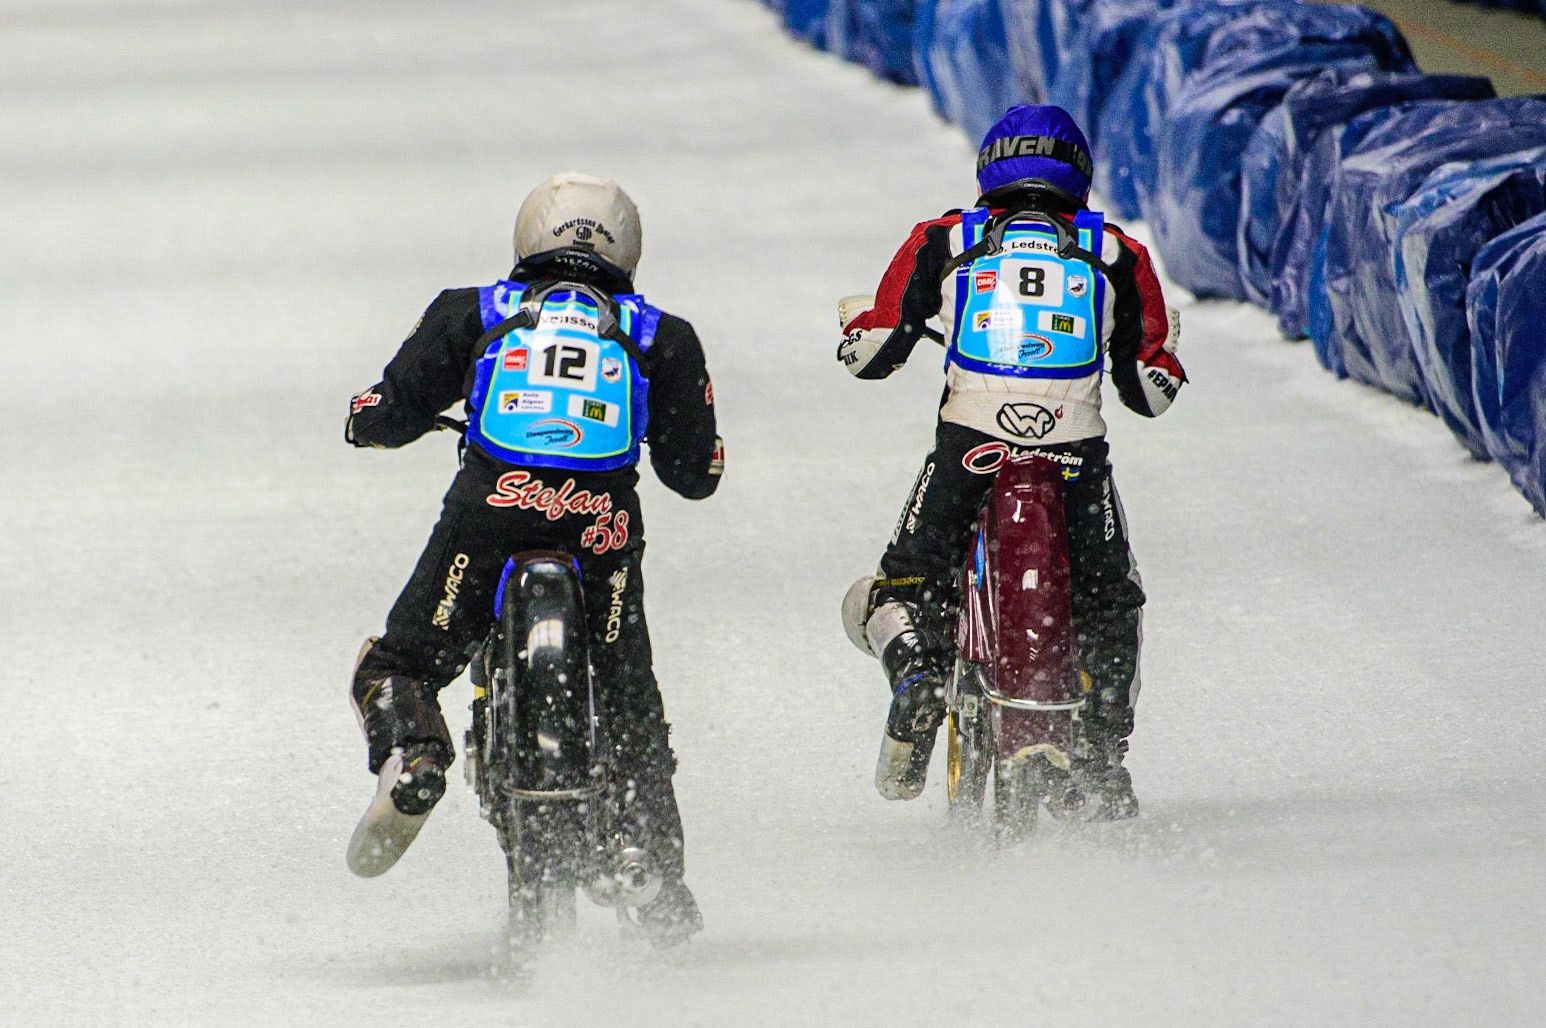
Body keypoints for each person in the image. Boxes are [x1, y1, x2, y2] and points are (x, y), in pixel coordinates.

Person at [344, 172, 723, 947]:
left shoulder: (475, 310)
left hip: (492, 512)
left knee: (398, 665)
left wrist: (365, 418)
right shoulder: (663, 335)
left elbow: (390, 413)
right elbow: (694, 474)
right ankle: (651, 865)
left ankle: (414, 755)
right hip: (601, 529)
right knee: (629, 702)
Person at [836, 105, 1185, 817]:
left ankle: (916, 673)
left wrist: (859, 329)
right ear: (1080, 176)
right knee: (1111, 599)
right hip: (1074, 455)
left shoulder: (944, 238)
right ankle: (1102, 757)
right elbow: (1148, 392)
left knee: (902, 583)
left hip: (970, 447)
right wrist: (1162, 351)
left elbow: (873, 353)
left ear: (987, 171)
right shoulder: (1119, 253)